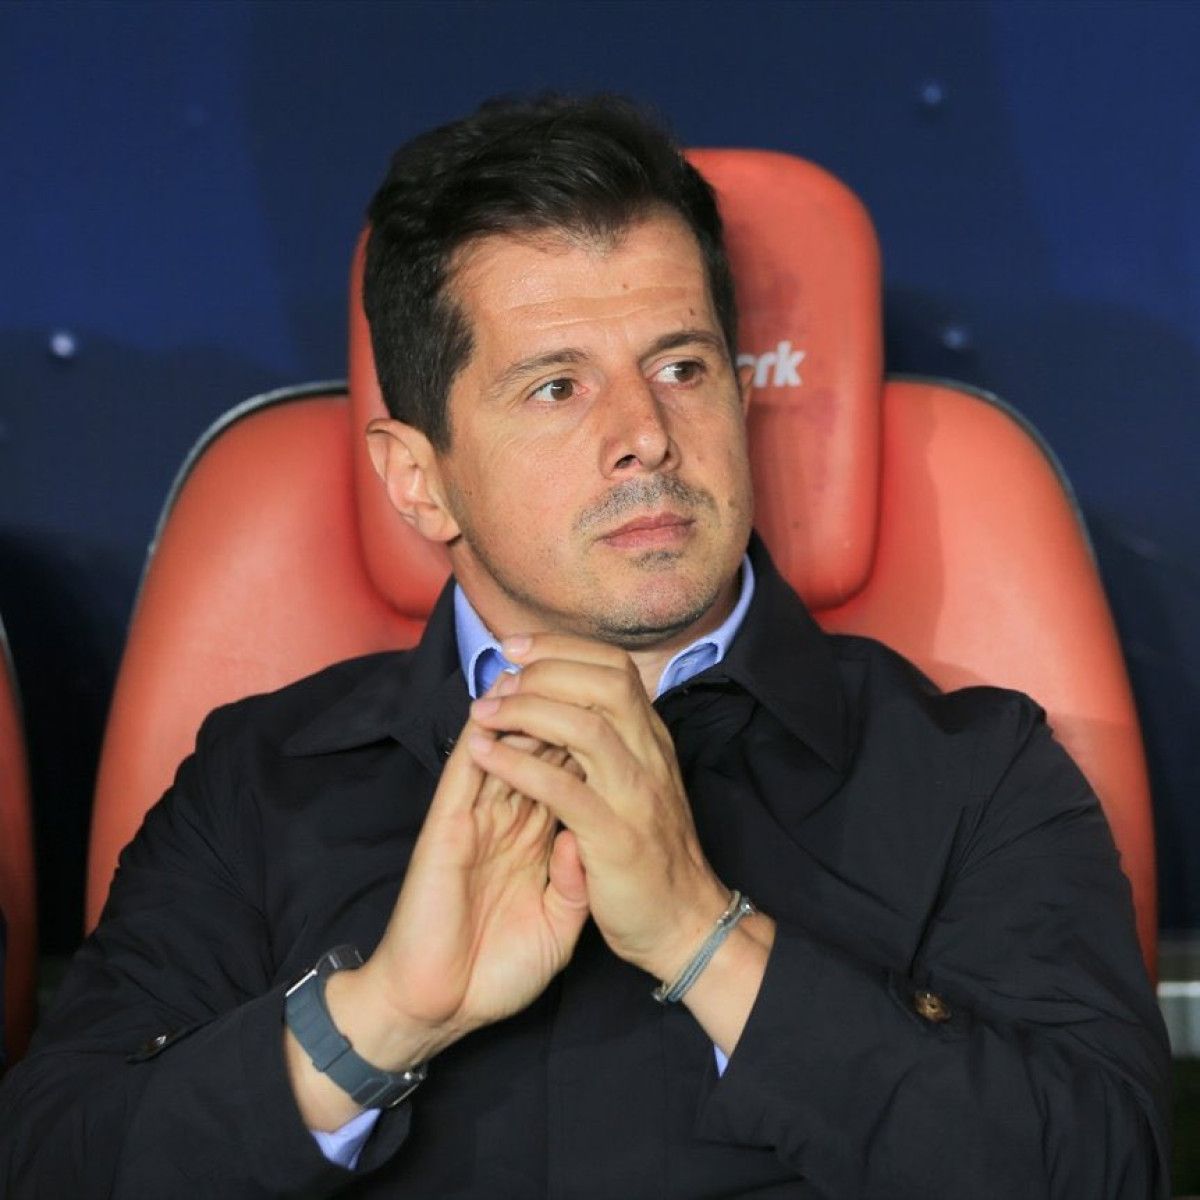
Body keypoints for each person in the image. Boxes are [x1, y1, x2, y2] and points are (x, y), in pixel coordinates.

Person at [0, 94, 1171, 1198]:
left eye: (681, 367)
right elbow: (50, 1164)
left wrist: (709, 942)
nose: (646, 436)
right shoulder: (257, 783)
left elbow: (1108, 1170)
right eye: (557, 387)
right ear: (418, 479)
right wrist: (381, 1019)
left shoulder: (974, 771)